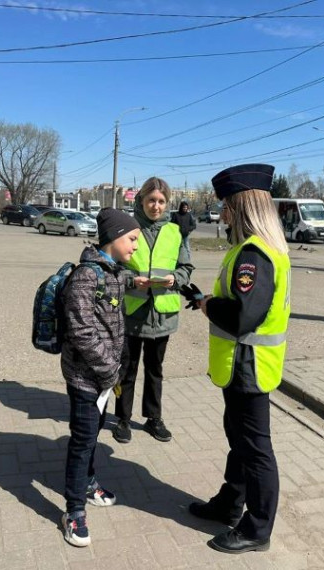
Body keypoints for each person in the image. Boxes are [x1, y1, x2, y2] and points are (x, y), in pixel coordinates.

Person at [190, 163, 291, 554]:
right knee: (239, 440)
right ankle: (229, 504)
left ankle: (257, 528)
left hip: (248, 365)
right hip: (242, 365)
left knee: (255, 448)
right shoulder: (253, 250)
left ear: (241, 207)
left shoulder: (254, 255)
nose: (221, 214)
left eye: (225, 207)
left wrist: (210, 305)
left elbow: (242, 316)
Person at [60, 208, 141, 547]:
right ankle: (73, 510)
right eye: (133, 239)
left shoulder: (113, 271)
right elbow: (80, 331)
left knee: (93, 434)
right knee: (82, 441)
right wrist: (110, 369)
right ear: (113, 238)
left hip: (104, 378)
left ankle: (89, 483)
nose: (136, 246)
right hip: (86, 377)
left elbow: (124, 282)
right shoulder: (86, 276)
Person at [112, 177, 194, 444]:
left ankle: (153, 418)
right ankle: (122, 419)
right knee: (128, 369)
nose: (156, 206)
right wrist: (131, 280)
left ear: (166, 203)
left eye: (161, 201)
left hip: (163, 315)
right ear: (141, 201)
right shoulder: (128, 229)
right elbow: (113, 267)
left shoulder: (174, 232)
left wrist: (175, 279)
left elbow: (186, 267)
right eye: (151, 200)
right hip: (133, 312)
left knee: (155, 369)